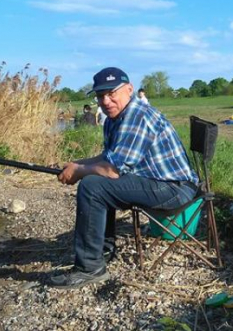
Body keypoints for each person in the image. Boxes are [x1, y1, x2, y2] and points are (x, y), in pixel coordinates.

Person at [51, 67, 198, 289]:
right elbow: (108, 158)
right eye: (101, 96)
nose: (106, 101)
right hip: (158, 182)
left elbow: (112, 171)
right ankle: (103, 249)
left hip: (175, 189)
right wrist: (78, 164)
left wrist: (80, 172)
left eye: (112, 93)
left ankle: (90, 268)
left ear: (129, 90)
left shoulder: (137, 116)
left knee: (93, 186)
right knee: (97, 182)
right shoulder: (114, 118)